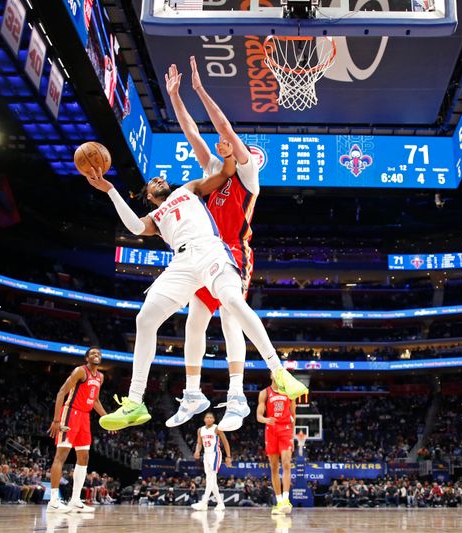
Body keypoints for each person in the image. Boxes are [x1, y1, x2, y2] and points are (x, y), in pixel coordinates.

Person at [84, 144, 308, 432]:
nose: (158, 180)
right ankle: (136, 402)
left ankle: (278, 371)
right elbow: (135, 228)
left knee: (233, 302)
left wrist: (228, 154)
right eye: (152, 183)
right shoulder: (156, 218)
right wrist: (110, 190)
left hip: (211, 250)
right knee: (145, 318)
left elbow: (227, 172)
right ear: (150, 197)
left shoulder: (188, 189)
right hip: (182, 262)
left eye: (159, 179)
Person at [163, 58, 261, 432]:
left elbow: (224, 126)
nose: (222, 142)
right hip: (206, 253)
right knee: (194, 324)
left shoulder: (248, 176)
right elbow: (190, 130)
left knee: (230, 319)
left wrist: (201, 90)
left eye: (231, 145)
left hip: (236, 253)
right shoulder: (210, 172)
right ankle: (193, 393)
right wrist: (175, 96)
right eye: (222, 143)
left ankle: (237, 397)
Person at [47, 347, 107, 513]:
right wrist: (56, 420)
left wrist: (108, 419)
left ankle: (75, 500)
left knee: (84, 457)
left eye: (99, 354)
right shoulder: (80, 371)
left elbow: (94, 401)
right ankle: (53, 501)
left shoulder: (101, 376)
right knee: (62, 455)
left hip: (85, 417)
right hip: (70, 413)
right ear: (87, 357)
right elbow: (61, 393)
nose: (97, 355)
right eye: (93, 353)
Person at [257, 372, 296, 515]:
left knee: (286, 463)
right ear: (271, 376)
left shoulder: (290, 393)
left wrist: (292, 433)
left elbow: (294, 415)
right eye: (275, 372)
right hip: (271, 430)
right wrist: (266, 420)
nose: (278, 374)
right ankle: (279, 502)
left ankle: (286, 500)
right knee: (274, 467)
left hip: (285, 429)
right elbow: (259, 415)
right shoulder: (264, 393)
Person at [192, 412, 231, 511]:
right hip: (206, 455)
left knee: (210, 478)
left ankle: (204, 502)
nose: (209, 419)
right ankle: (220, 503)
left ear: (214, 419)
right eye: (207, 417)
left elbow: (225, 442)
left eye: (211, 417)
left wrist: (228, 456)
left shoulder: (217, 428)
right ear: (204, 419)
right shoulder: (200, 430)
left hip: (215, 454)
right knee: (211, 480)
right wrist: (197, 451)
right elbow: (199, 443)